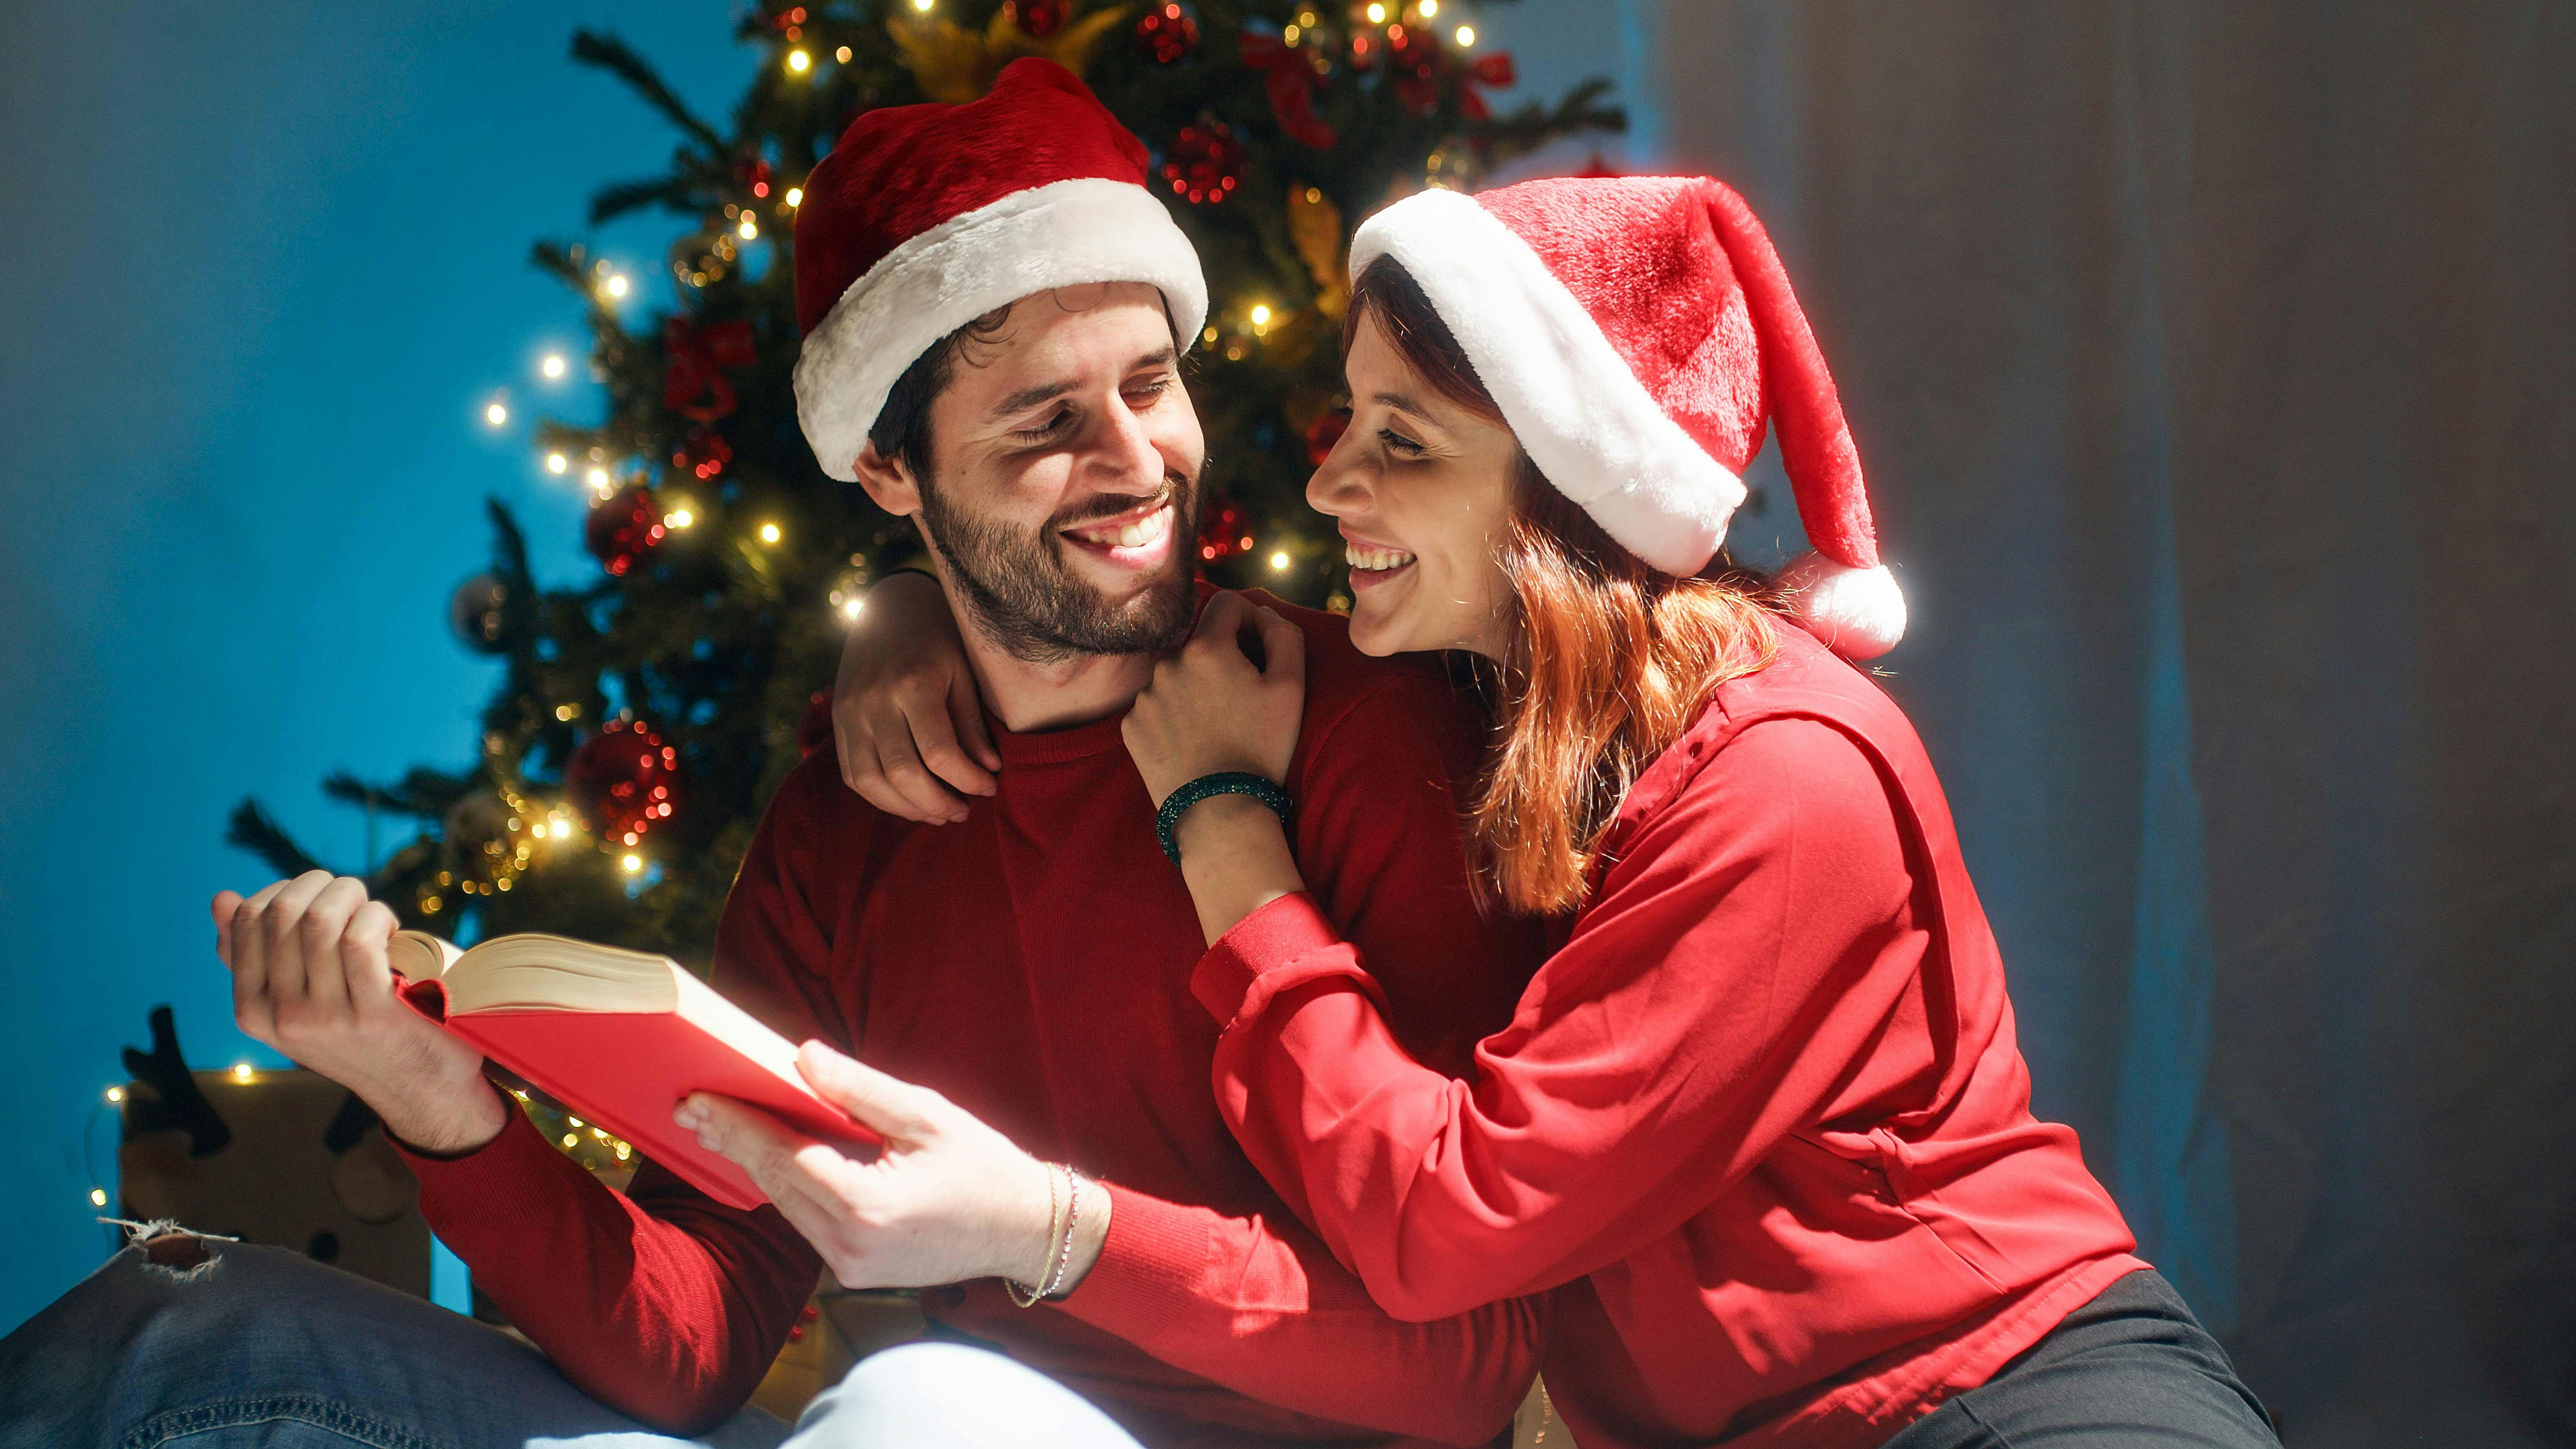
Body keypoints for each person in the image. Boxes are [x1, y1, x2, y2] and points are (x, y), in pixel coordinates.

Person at [0, 61, 1550, 1449]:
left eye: (1151, 386)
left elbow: (1475, 1359)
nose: (1137, 460)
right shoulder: (848, 824)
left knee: (925, 1404)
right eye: (1043, 424)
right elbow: (697, 1343)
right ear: (890, 468)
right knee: (183, 1338)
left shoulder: (1348, 726)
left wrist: (1041, 1231)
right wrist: (437, 1101)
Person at [832, 177, 2283, 1449]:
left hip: (1985, 1398)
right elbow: (1049, 584)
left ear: (1564, 502)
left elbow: (1441, 1228)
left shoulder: (1787, 778)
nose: (1330, 480)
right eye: (1351, 421)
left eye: (1404, 442)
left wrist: (1220, 820)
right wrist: (902, 611)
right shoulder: (1493, 704)